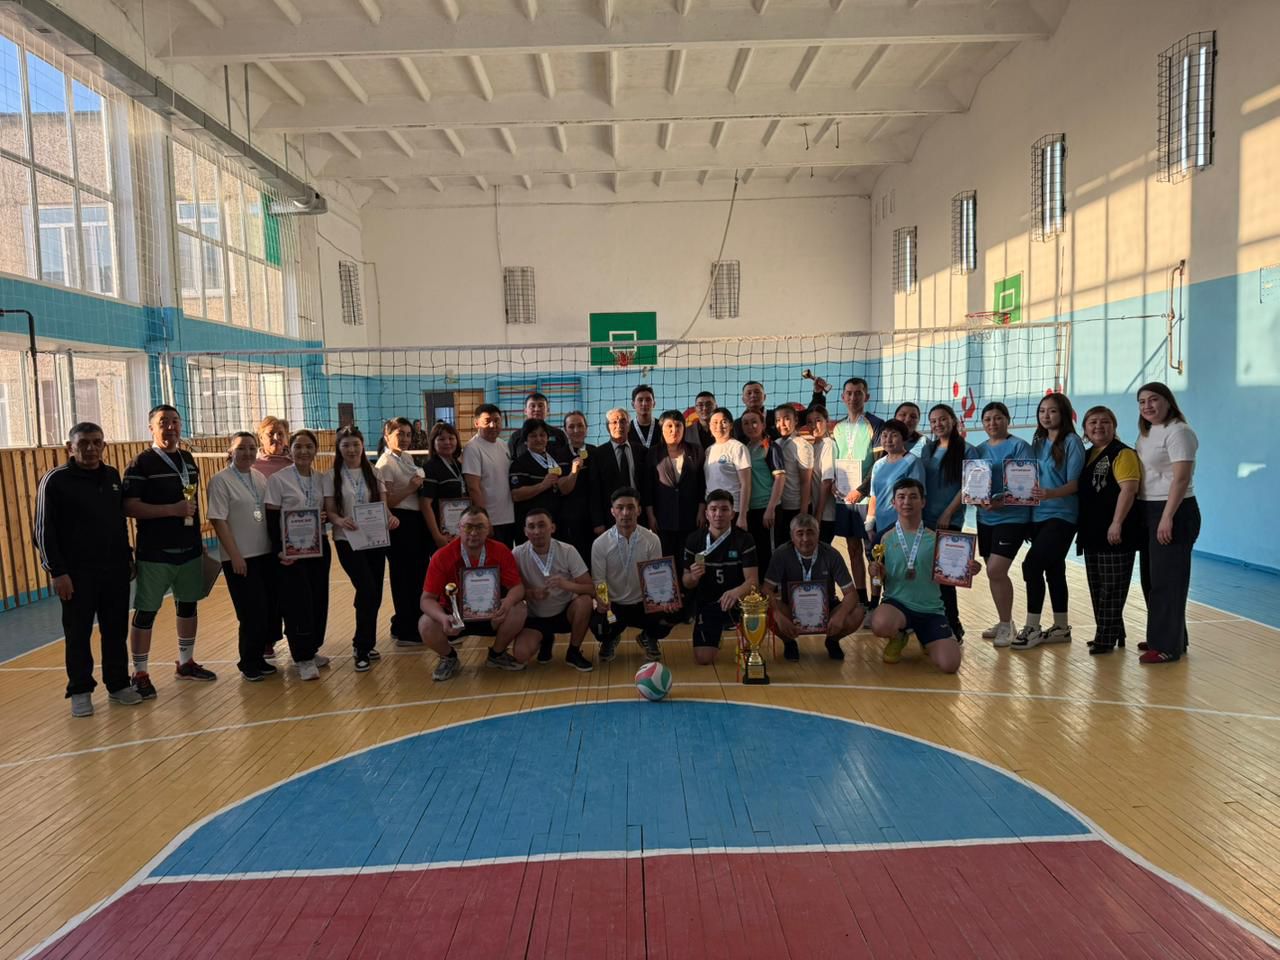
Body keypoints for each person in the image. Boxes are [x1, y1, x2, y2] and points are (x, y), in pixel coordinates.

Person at [35, 421, 141, 717]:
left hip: (114, 571)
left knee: (115, 631)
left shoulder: (112, 475)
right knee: (78, 634)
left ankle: (118, 685)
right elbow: (43, 531)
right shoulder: (55, 480)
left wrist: (127, 557)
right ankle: (80, 690)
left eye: (96, 442)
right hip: (75, 575)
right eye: (83, 443)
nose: (91, 448)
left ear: (103, 445)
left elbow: (118, 521)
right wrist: (57, 572)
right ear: (70, 447)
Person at [122, 404, 215, 698]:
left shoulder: (187, 459)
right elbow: (128, 506)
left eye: (175, 421)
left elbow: (191, 505)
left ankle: (186, 664)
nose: (171, 426)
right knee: (146, 612)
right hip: (155, 553)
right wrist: (171, 510)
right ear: (151, 428)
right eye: (163, 422)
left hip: (189, 550)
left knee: (188, 606)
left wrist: (197, 542)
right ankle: (139, 673)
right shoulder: (141, 463)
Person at [868, 479, 978, 673]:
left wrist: (966, 568)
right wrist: (875, 576)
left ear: (923, 502)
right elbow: (878, 576)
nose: (907, 502)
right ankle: (899, 636)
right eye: (901, 497)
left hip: (931, 610)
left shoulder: (939, 537)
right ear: (893, 503)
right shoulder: (883, 537)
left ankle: (926, 638)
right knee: (879, 623)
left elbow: (951, 572)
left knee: (950, 665)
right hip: (897, 605)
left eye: (913, 497)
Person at [419, 505, 531, 681]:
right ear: (459, 528)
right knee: (426, 623)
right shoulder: (442, 556)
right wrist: (443, 618)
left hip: (492, 616)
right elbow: (426, 600)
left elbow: (518, 588)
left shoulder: (500, 550)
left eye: (480, 527)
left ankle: (496, 654)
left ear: (488, 529)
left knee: (519, 609)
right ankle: (449, 657)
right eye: (468, 527)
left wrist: (507, 603)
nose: (473, 533)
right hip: (455, 619)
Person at [1013, 392, 1086, 650]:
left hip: (1062, 515)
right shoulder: (1038, 442)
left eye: (1052, 410)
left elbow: (1075, 484)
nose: (1046, 415)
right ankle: (1061, 627)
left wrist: (1050, 494)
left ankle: (1032, 627)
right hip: (1038, 515)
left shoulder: (1072, 442)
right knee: (1054, 568)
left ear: (1063, 413)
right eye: (1042, 410)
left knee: (1032, 565)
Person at [1135, 382, 1199, 664]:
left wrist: (1167, 516)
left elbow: (1181, 478)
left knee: (1168, 581)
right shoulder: (1148, 432)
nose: (1147, 406)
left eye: (1153, 399)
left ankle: (1165, 647)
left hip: (1174, 510)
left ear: (1168, 402)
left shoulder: (1179, 432)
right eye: (1142, 402)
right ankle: (1171, 637)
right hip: (1149, 508)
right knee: (1152, 578)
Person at [207, 432, 279, 682]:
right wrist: (235, 556)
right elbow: (218, 520)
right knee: (251, 611)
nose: (247, 452)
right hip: (241, 558)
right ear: (231, 451)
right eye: (241, 448)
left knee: (267, 609)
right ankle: (248, 662)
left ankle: (258, 658)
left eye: (251, 448)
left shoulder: (259, 477)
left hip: (265, 554)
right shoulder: (220, 481)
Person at [325, 426, 396, 672]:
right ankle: (362, 648)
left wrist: (390, 518)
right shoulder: (331, 476)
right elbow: (330, 511)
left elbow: (383, 507)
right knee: (366, 588)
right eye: (346, 445)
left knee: (373, 593)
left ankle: (365, 641)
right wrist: (339, 520)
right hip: (347, 540)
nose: (352, 449)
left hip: (374, 539)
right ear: (339, 448)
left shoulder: (374, 472)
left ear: (363, 445)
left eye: (355, 444)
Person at [264, 430, 332, 681]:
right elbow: (272, 518)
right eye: (298, 446)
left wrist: (324, 517)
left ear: (315, 450)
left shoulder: (321, 478)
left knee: (318, 599)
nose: (303, 451)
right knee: (297, 603)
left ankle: (312, 649)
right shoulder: (278, 479)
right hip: (291, 551)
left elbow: (327, 511)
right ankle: (302, 657)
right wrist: (279, 550)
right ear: (289, 450)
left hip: (318, 547)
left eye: (308, 447)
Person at [1077, 405, 1143, 656]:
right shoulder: (1086, 455)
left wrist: (1117, 522)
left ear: (1114, 426)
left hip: (1116, 532)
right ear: (1085, 429)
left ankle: (1105, 638)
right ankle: (1114, 631)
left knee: (1112, 587)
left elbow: (1129, 489)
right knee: (1097, 587)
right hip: (1091, 532)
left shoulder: (1123, 453)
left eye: (1104, 422)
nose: (1098, 426)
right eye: (1093, 422)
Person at [967, 402, 1033, 648]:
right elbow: (972, 484)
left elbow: (1027, 485)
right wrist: (976, 500)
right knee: (994, 572)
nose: (992, 423)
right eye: (987, 419)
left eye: (997, 418)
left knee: (995, 570)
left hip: (1012, 518)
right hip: (985, 519)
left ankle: (1006, 625)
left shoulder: (1019, 447)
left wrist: (1001, 501)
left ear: (1007, 420)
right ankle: (1005, 621)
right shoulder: (979, 450)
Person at [763, 513, 865, 661]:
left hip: (827, 610)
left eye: (810, 532)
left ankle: (833, 640)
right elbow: (766, 590)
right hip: (791, 610)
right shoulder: (781, 554)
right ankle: (789, 642)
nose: (805, 538)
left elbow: (851, 594)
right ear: (792, 536)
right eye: (800, 533)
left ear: (818, 533)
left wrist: (840, 616)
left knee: (858, 612)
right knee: (764, 613)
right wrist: (777, 615)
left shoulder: (832, 554)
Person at [590, 487, 676, 662]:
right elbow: (599, 580)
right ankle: (610, 638)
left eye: (630, 507)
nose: (625, 512)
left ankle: (649, 637)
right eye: (620, 508)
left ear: (639, 510)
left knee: (672, 613)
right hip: (614, 605)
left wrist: (664, 600)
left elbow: (657, 577)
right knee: (599, 625)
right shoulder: (600, 543)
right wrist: (603, 602)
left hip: (643, 604)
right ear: (612, 511)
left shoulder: (652, 539)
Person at [681, 490, 758, 665]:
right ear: (706, 513)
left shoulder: (744, 539)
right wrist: (693, 577)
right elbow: (686, 582)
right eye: (714, 509)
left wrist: (736, 592)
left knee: (749, 655)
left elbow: (753, 582)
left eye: (724, 509)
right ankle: (715, 636)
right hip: (708, 604)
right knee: (703, 659)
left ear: (732, 513)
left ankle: (743, 632)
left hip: (738, 603)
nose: (718, 514)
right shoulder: (694, 540)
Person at [513, 507, 595, 670]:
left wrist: (566, 585)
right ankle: (546, 638)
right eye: (531, 526)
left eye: (542, 525)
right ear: (525, 531)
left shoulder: (567, 550)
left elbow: (591, 589)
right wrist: (530, 593)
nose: (537, 531)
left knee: (585, 602)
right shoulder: (517, 554)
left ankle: (573, 652)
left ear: (552, 527)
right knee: (520, 655)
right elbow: (510, 591)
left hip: (565, 613)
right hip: (535, 617)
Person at [926, 404, 979, 641]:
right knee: (925, 576)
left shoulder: (967, 450)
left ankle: (953, 624)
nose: (938, 424)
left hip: (950, 520)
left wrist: (948, 513)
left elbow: (969, 485)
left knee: (946, 577)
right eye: (933, 421)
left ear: (953, 421)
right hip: (925, 520)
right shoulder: (928, 449)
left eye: (942, 419)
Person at [828, 377, 884, 605]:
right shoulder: (837, 428)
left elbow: (879, 464)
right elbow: (834, 460)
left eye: (858, 393)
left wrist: (862, 490)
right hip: (845, 498)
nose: (853, 397)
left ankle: (875, 600)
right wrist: (833, 481)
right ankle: (861, 599)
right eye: (849, 393)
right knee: (852, 549)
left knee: (873, 554)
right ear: (843, 397)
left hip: (868, 499)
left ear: (866, 396)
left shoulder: (876, 424)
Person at [377, 417, 430, 647]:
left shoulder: (406, 457)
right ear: (387, 436)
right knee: (403, 577)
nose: (405, 439)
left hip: (415, 522)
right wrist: (410, 487)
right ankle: (407, 631)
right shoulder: (385, 463)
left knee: (417, 575)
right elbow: (386, 502)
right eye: (400, 434)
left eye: (408, 434)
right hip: (399, 522)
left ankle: (403, 623)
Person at [645, 410, 706, 601]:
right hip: (663, 518)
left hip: (690, 517)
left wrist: (701, 509)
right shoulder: (653, 453)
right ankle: (669, 601)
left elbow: (702, 483)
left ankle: (690, 602)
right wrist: (650, 515)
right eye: (669, 426)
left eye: (678, 425)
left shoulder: (696, 450)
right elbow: (648, 487)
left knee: (688, 561)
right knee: (666, 560)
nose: (674, 430)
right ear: (662, 429)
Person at [509, 417, 580, 542]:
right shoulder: (519, 463)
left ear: (547, 438)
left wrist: (574, 472)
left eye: (542, 435)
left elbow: (564, 489)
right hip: (532, 527)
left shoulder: (556, 459)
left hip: (556, 523)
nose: (539, 439)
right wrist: (542, 485)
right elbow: (516, 495)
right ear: (525, 440)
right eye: (533, 436)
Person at [864, 420, 927, 550]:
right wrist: (869, 525)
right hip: (880, 525)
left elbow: (917, 498)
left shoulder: (912, 462)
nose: (888, 440)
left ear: (904, 439)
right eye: (884, 435)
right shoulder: (878, 464)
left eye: (894, 435)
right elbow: (874, 496)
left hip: (902, 525)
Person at [464, 403, 516, 545]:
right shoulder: (472, 448)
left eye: (496, 420)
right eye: (487, 421)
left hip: (509, 518)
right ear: (477, 423)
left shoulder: (503, 445)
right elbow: (473, 488)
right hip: (491, 521)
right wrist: (484, 520)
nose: (493, 425)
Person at [589, 408, 645, 536]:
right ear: (607, 427)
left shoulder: (641, 451)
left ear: (629, 425)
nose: (619, 425)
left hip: (638, 515)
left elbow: (647, 486)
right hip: (610, 518)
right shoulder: (597, 454)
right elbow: (594, 490)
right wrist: (598, 522)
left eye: (623, 421)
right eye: (614, 422)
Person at [742, 409, 785, 563]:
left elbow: (780, 479)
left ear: (763, 424)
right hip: (751, 510)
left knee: (770, 556)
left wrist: (771, 508)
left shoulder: (771, 447)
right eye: (746, 423)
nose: (750, 426)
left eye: (754, 422)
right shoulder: (745, 448)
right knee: (756, 556)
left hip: (767, 509)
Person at [422, 420, 468, 552]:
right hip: (443, 533)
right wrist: (437, 535)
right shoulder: (430, 467)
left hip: (462, 529)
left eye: (451, 438)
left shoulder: (460, 465)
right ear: (433, 442)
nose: (447, 442)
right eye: (441, 439)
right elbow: (425, 504)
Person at [704, 407, 751, 530]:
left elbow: (746, 484)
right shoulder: (709, 450)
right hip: (714, 512)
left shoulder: (738, 448)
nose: (719, 426)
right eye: (715, 422)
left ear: (731, 425)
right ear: (709, 426)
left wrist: (742, 515)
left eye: (724, 422)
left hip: (732, 510)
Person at [559, 411, 595, 566]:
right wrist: (574, 471)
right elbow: (563, 489)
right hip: (570, 521)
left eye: (580, 426)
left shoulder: (596, 452)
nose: (576, 430)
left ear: (586, 428)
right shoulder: (559, 454)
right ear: (565, 430)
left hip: (594, 520)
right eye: (571, 426)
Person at [773, 404, 813, 539]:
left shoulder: (802, 446)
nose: (782, 424)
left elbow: (806, 481)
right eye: (778, 420)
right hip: (780, 506)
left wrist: (803, 512)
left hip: (796, 507)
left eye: (786, 419)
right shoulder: (776, 443)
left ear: (795, 420)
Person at [805, 405, 837, 544]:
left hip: (825, 515)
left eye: (818, 420)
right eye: (809, 422)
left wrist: (818, 514)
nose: (814, 425)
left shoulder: (828, 444)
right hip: (813, 512)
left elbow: (827, 482)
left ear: (827, 421)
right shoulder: (812, 447)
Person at [508, 392, 571, 461]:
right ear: (525, 411)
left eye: (540, 406)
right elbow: (511, 461)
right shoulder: (516, 437)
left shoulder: (559, 434)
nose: (537, 409)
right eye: (532, 406)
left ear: (547, 410)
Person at [628, 384, 660, 452]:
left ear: (654, 403)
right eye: (640, 400)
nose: (644, 403)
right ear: (633, 405)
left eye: (648, 400)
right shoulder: (627, 429)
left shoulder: (662, 427)